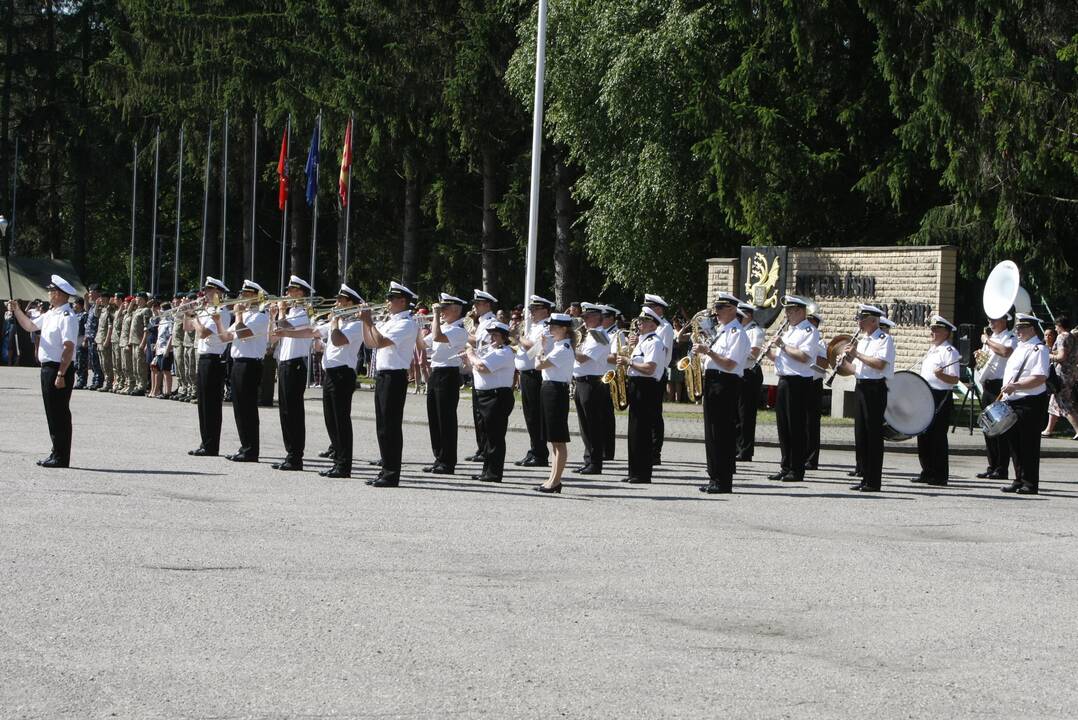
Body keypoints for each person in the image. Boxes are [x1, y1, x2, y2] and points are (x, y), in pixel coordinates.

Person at [7, 276, 79, 467]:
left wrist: (61, 374)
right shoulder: (51, 313)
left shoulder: (67, 317)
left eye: (50, 291)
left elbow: (68, 347)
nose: (48, 294)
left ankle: (61, 456)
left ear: (58, 294)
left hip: (58, 368)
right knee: (52, 412)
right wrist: (17, 310)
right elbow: (30, 326)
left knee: (59, 413)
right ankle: (56, 452)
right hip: (48, 368)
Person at [361, 281, 419, 487]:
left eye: (391, 299)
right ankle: (385, 468)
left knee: (391, 427)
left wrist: (369, 321)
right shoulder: (391, 320)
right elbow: (369, 343)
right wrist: (363, 322)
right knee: (382, 426)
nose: (387, 302)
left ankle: (391, 473)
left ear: (402, 301)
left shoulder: (406, 323)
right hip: (383, 376)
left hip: (394, 377)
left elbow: (381, 342)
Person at [835, 304, 895, 492]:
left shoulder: (884, 339)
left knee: (873, 436)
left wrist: (857, 354)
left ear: (873, 320)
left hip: (875, 389)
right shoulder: (864, 339)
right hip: (861, 387)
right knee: (861, 434)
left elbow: (878, 364)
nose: (859, 323)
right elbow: (858, 370)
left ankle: (873, 481)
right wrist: (843, 364)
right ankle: (864, 476)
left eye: (862, 319)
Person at [695, 293, 750, 494]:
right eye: (716, 309)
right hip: (713, 382)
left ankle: (723, 480)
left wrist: (708, 352)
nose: (716, 313)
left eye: (720, 308)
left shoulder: (737, 333)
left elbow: (730, 363)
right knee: (711, 433)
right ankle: (714, 476)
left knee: (722, 434)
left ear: (732, 309)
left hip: (725, 383)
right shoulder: (721, 331)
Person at [765, 295, 820, 483]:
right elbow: (783, 358)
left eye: (790, 310)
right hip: (784, 380)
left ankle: (797, 469)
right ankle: (785, 465)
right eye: (786, 310)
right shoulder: (789, 331)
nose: (787, 314)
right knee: (783, 427)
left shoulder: (809, 331)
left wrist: (782, 345)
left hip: (799, 383)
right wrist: (770, 354)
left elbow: (804, 357)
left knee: (796, 427)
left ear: (800, 311)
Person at [216, 280, 270, 463]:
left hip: (250, 364)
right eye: (243, 295)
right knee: (239, 408)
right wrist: (217, 322)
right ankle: (244, 446)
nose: (242, 298)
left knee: (248, 409)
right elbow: (226, 337)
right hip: (238, 363)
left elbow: (244, 334)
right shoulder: (246, 315)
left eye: (247, 295)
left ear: (257, 297)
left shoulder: (261, 316)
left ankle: (251, 450)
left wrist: (238, 315)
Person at [1000, 313, 1050, 494]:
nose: (1018, 331)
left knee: (1028, 444)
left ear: (1032, 329)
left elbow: (1040, 377)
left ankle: (1030, 482)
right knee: (1014, 443)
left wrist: (1016, 386)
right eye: (1017, 328)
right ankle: (1019, 478)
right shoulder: (1021, 347)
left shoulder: (1039, 349)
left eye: (1021, 328)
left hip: (1029, 402)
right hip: (1013, 401)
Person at [272, 275, 316, 471]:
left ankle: (296, 456)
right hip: (285, 363)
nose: (288, 294)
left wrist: (281, 313)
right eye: (288, 291)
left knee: (293, 412)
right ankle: (290, 453)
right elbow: (276, 335)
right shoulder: (292, 312)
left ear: (301, 293)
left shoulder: (303, 313)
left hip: (295, 365)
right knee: (285, 411)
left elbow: (286, 328)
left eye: (291, 291)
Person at [618, 307, 665, 484]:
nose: (639, 324)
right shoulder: (642, 340)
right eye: (639, 321)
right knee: (634, 432)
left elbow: (650, 368)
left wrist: (629, 361)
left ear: (653, 324)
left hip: (647, 387)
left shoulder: (654, 342)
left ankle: (642, 474)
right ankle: (634, 471)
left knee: (643, 432)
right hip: (637, 385)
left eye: (643, 321)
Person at [422, 293, 468, 475]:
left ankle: (448, 461)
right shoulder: (443, 326)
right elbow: (421, 345)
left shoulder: (458, 329)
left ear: (456, 310)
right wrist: (417, 328)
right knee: (434, 417)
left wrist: (434, 316)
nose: (441, 312)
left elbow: (437, 336)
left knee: (446, 419)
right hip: (436, 373)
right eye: (440, 309)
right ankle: (438, 457)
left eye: (444, 309)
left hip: (448, 374)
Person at [465, 321, 516, 482]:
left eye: (495, 334)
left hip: (497, 397)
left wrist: (471, 354)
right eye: (491, 334)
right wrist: (470, 357)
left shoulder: (505, 352)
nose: (492, 337)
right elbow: (472, 366)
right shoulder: (490, 351)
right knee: (486, 435)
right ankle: (486, 470)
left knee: (495, 436)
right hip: (485, 396)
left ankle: (494, 473)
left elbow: (482, 367)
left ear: (504, 337)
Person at [186, 277, 232, 457]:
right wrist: (187, 314)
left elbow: (203, 333)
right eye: (205, 290)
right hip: (204, 358)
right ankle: (205, 442)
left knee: (211, 404)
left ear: (218, 293)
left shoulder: (222, 312)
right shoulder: (207, 310)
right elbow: (188, 328)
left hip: (214, 359)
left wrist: (194, 317)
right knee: (203, 403)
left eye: (209, 291)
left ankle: (212, 445)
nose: (205, 293)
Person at [913, 316, 961, 486]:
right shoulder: (932, 350)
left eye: (936, 330)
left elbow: (955, 379)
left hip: (940, 395)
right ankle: (927, 471)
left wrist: (941, 375)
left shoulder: (949, 351)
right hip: (925, 394)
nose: (932, 332)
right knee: (923, 434)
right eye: (932, 329)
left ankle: (940, 475)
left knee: (937, 436)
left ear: (946, 333)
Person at [535, 313, 575, 493]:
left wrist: (541, 349)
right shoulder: (558, 346)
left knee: (558, 439)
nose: (550, 330)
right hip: (549, 389)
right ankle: (552, 478)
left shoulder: (563, 348)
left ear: (564, 329)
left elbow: (539, 365)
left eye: (554, 327)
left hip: (556, 391)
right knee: (553, 440)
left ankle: (556, 480)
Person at [514, 295, 553, 467]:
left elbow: (537, 348)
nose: (532, 312)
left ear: (545, 310)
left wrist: (518, 338)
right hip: (527, 373)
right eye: (531, 309)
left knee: (535, 415)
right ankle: (534, 449)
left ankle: (540, 453)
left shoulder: (546, 327)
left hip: (535, 374)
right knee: (530, 416)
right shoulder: (535, 326)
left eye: (535, 309)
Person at [571, 302, 610, 475]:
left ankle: (595, 463)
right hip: (581, 382)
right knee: (584, 424)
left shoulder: (599, 336)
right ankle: (589, 460)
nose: (584, 320)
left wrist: (567, 345)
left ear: (597, 318)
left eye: (587, 317)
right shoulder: (589, 335)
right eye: (584, 317)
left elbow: (583, 358)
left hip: (592, 383)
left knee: (593, 424)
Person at [976, 314, 1016, 479]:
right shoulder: (992, 337)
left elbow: (1005, 352)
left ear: (1004, 320)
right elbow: (986, 360)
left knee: (1000, 428)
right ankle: (992, 465)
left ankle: (1001, 468)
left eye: (993, 320)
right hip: (988, 385)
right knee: (988, 427)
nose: (990, 323)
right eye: (989, 320)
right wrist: (979, 356)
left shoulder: (1010, 337)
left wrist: (986, 341)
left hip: (1000, 385)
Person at [466, 289, 499, 463]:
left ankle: (485, 449)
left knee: (483, 415)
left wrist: (463, 336)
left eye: (478, 304)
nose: (475, 307)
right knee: (477, 414)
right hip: (477, 370)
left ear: (487, 305)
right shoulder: (481, 322)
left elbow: (484, 345)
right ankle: (481, 448)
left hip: (485, 370)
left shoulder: (491, 323)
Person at [642, 294, 674, 465]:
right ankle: (647, 448)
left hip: (657, 373)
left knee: (654, 414)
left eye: (650, 307)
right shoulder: (646, 326)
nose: (645, 310)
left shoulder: (665, 327)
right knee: (647, 413)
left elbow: (664, 352)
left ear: (659, 309)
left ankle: (655, 451)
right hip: (645, 374)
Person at [735, 302, 765, 462]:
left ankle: (745, 450)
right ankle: (735, 447)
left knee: (745, 415)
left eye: (741, 314)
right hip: (738, 372)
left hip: (750, 373)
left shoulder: (755, 331)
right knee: (735, 413)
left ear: (749, 315)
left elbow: (753, 354)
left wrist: (734, 354)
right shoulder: (739, 330)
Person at [1042, 315, 1078, 439]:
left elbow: (1062, 356)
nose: (1055, 329)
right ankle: (1048, 430)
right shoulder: (1072, 336)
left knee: (1064, 402)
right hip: (1071, 373)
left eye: (1056, 326)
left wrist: (1049, 356)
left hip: (1062, 374)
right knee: (1054, 402)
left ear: (1060, 326)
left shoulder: (1062, 336)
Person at [804, 308, 828, 471]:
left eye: (811, 323)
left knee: (811, 424)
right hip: (801, 383)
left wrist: (810, 354)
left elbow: (825, 364)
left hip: (813, 385)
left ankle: (812, 459)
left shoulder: (820, 343)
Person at [598, 305, 622, 461]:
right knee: (598, 414)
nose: (601, 320)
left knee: (606, 415)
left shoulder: (616, 334)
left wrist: (596, 354)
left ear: (612, 318)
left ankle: (608, 451)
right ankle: (600, 448)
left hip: (609, 376)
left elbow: (616, 357)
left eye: (604, 317)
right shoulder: (601, 333)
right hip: (598, 375)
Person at [152, 302, 174, 399]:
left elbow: (171, 336)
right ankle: (162, 391)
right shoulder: (162, 320)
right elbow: (159, 336)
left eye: (162, 309)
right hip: (160, 349)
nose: (160, 311)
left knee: (166, 370)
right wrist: (156, 346)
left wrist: (168, 349)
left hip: (166, 349)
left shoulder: (170, 321)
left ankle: (168, 391)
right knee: (160, 369)